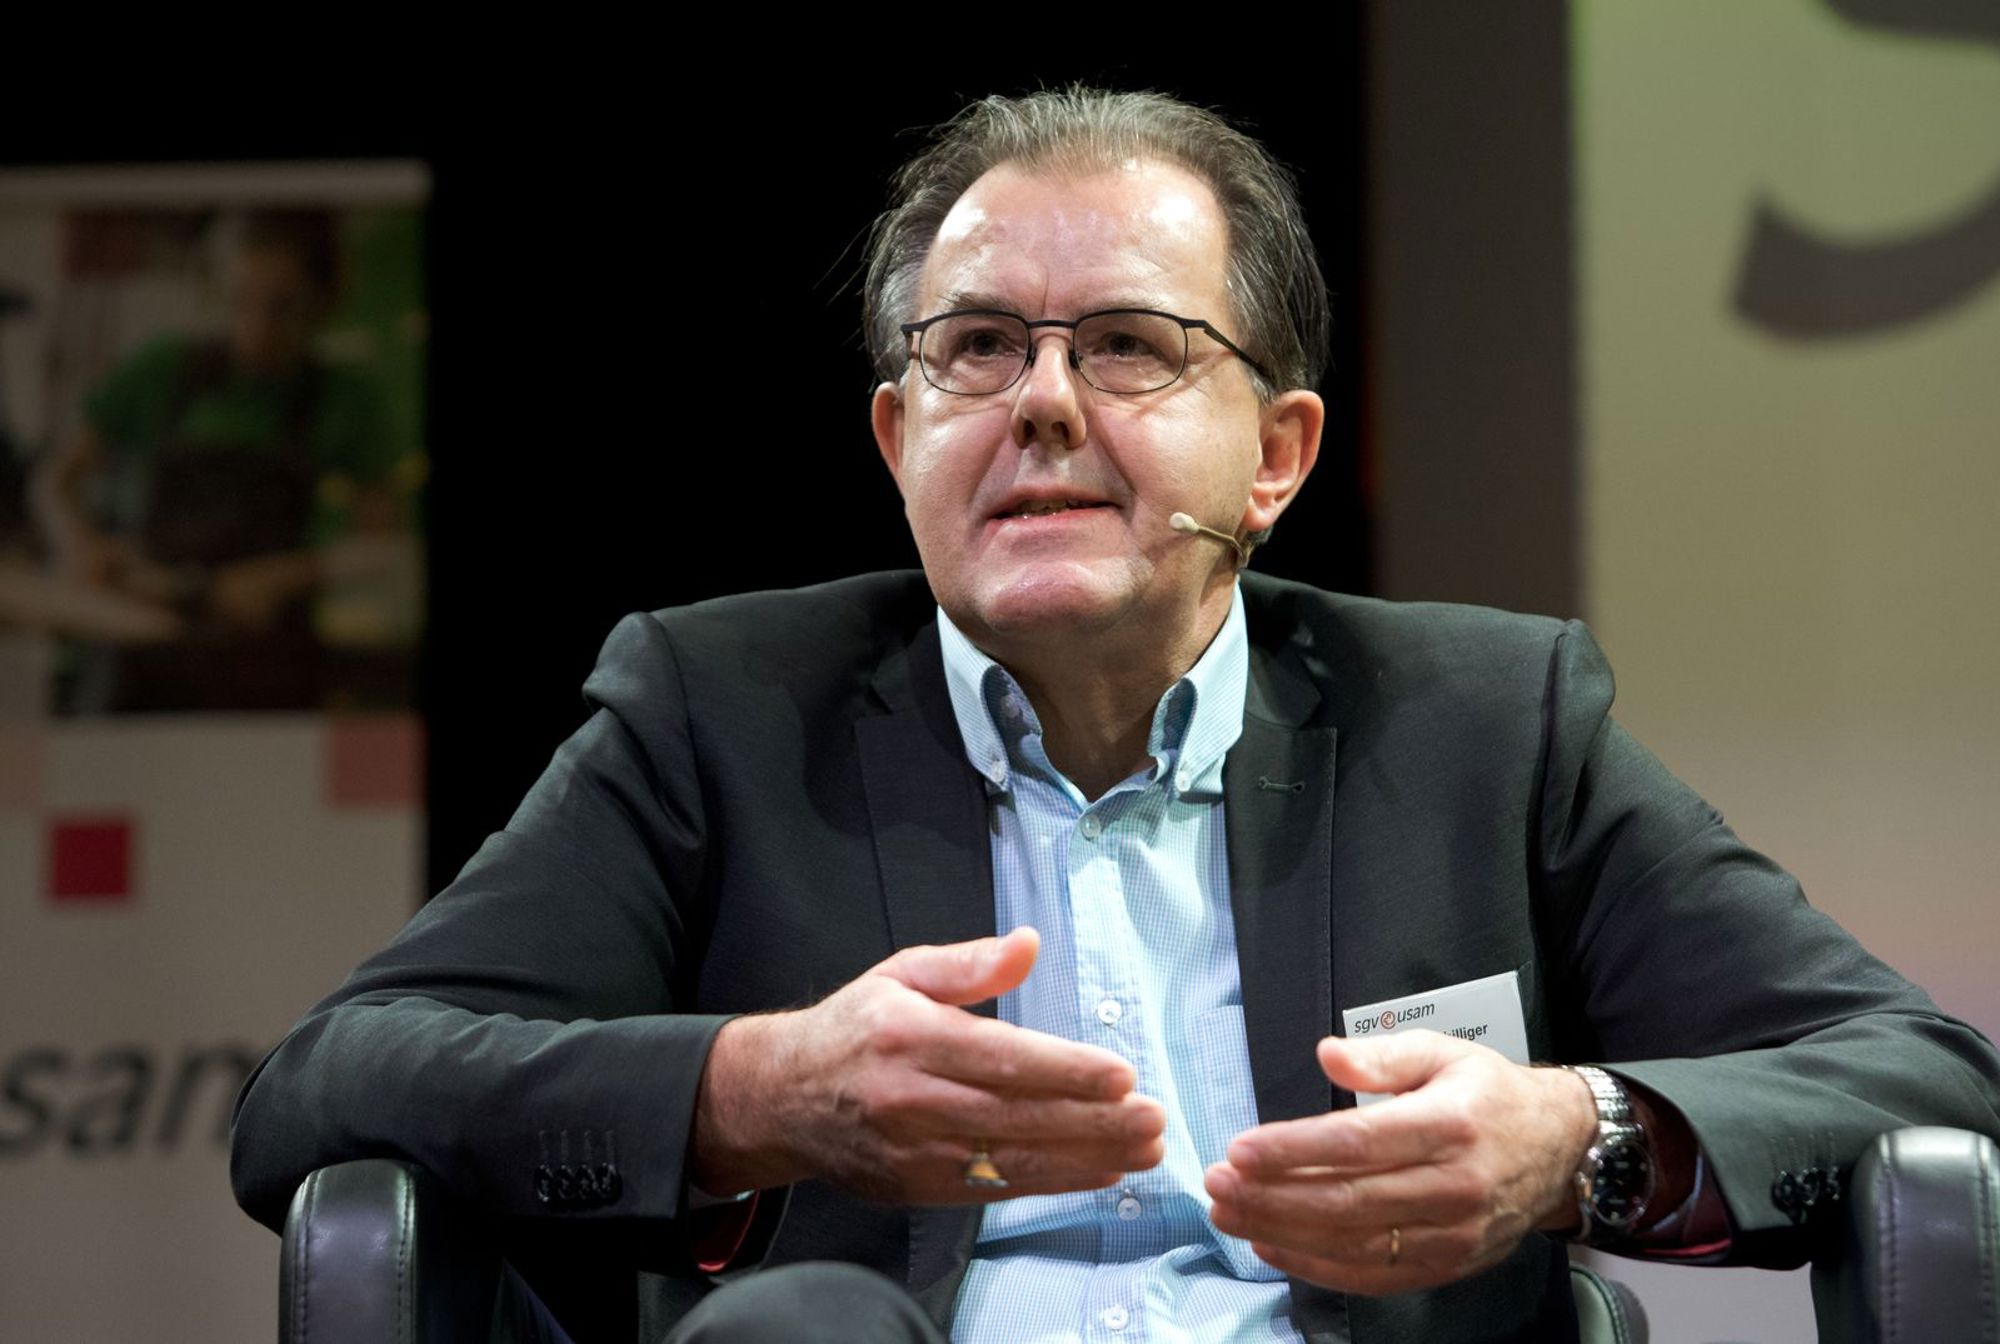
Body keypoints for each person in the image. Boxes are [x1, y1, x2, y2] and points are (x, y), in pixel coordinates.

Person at [230, 89, 2000, 1343]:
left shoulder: (1485, 722)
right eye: (977, 349)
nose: (1045, 406)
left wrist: (1572, 1141)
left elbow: (1922, 1077)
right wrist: (757, 1091)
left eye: (1131, 346)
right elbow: (325, 1088)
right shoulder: (719, 711)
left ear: (1277, 456)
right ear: (899, 442)